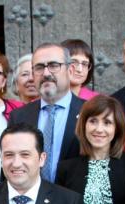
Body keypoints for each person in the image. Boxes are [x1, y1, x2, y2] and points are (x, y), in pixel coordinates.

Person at [10, 43, 85, 182]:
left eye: (53, 65)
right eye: (39, 67)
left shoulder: (89, 113)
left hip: (75, 199)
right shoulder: (18, 116)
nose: (45, 73)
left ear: (70, 70)